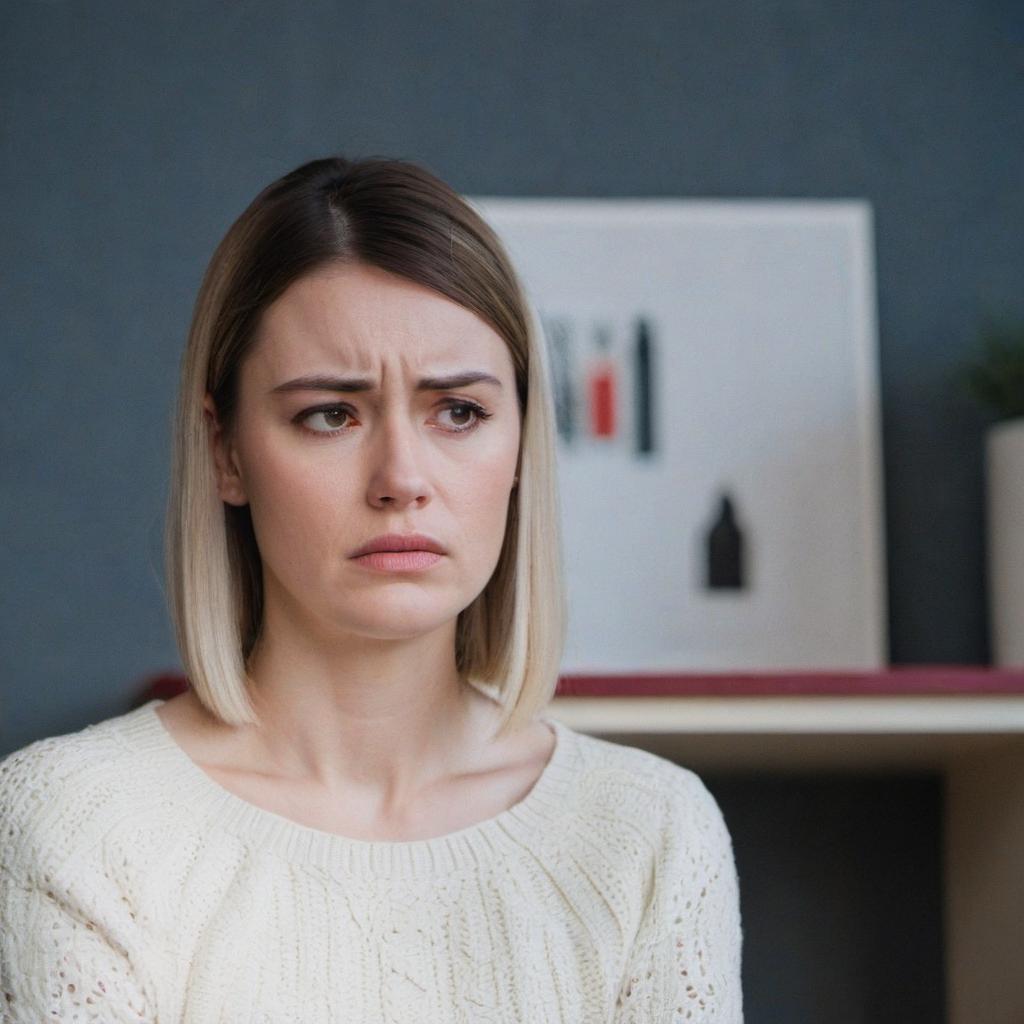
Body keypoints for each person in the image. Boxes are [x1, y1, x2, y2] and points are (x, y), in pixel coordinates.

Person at [0, 154, 744, 1022]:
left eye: (458, 411)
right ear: (226, 451)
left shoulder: (649, 834)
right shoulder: (78, 824)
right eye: (331, 414)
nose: (401, 478)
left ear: (520, 444)